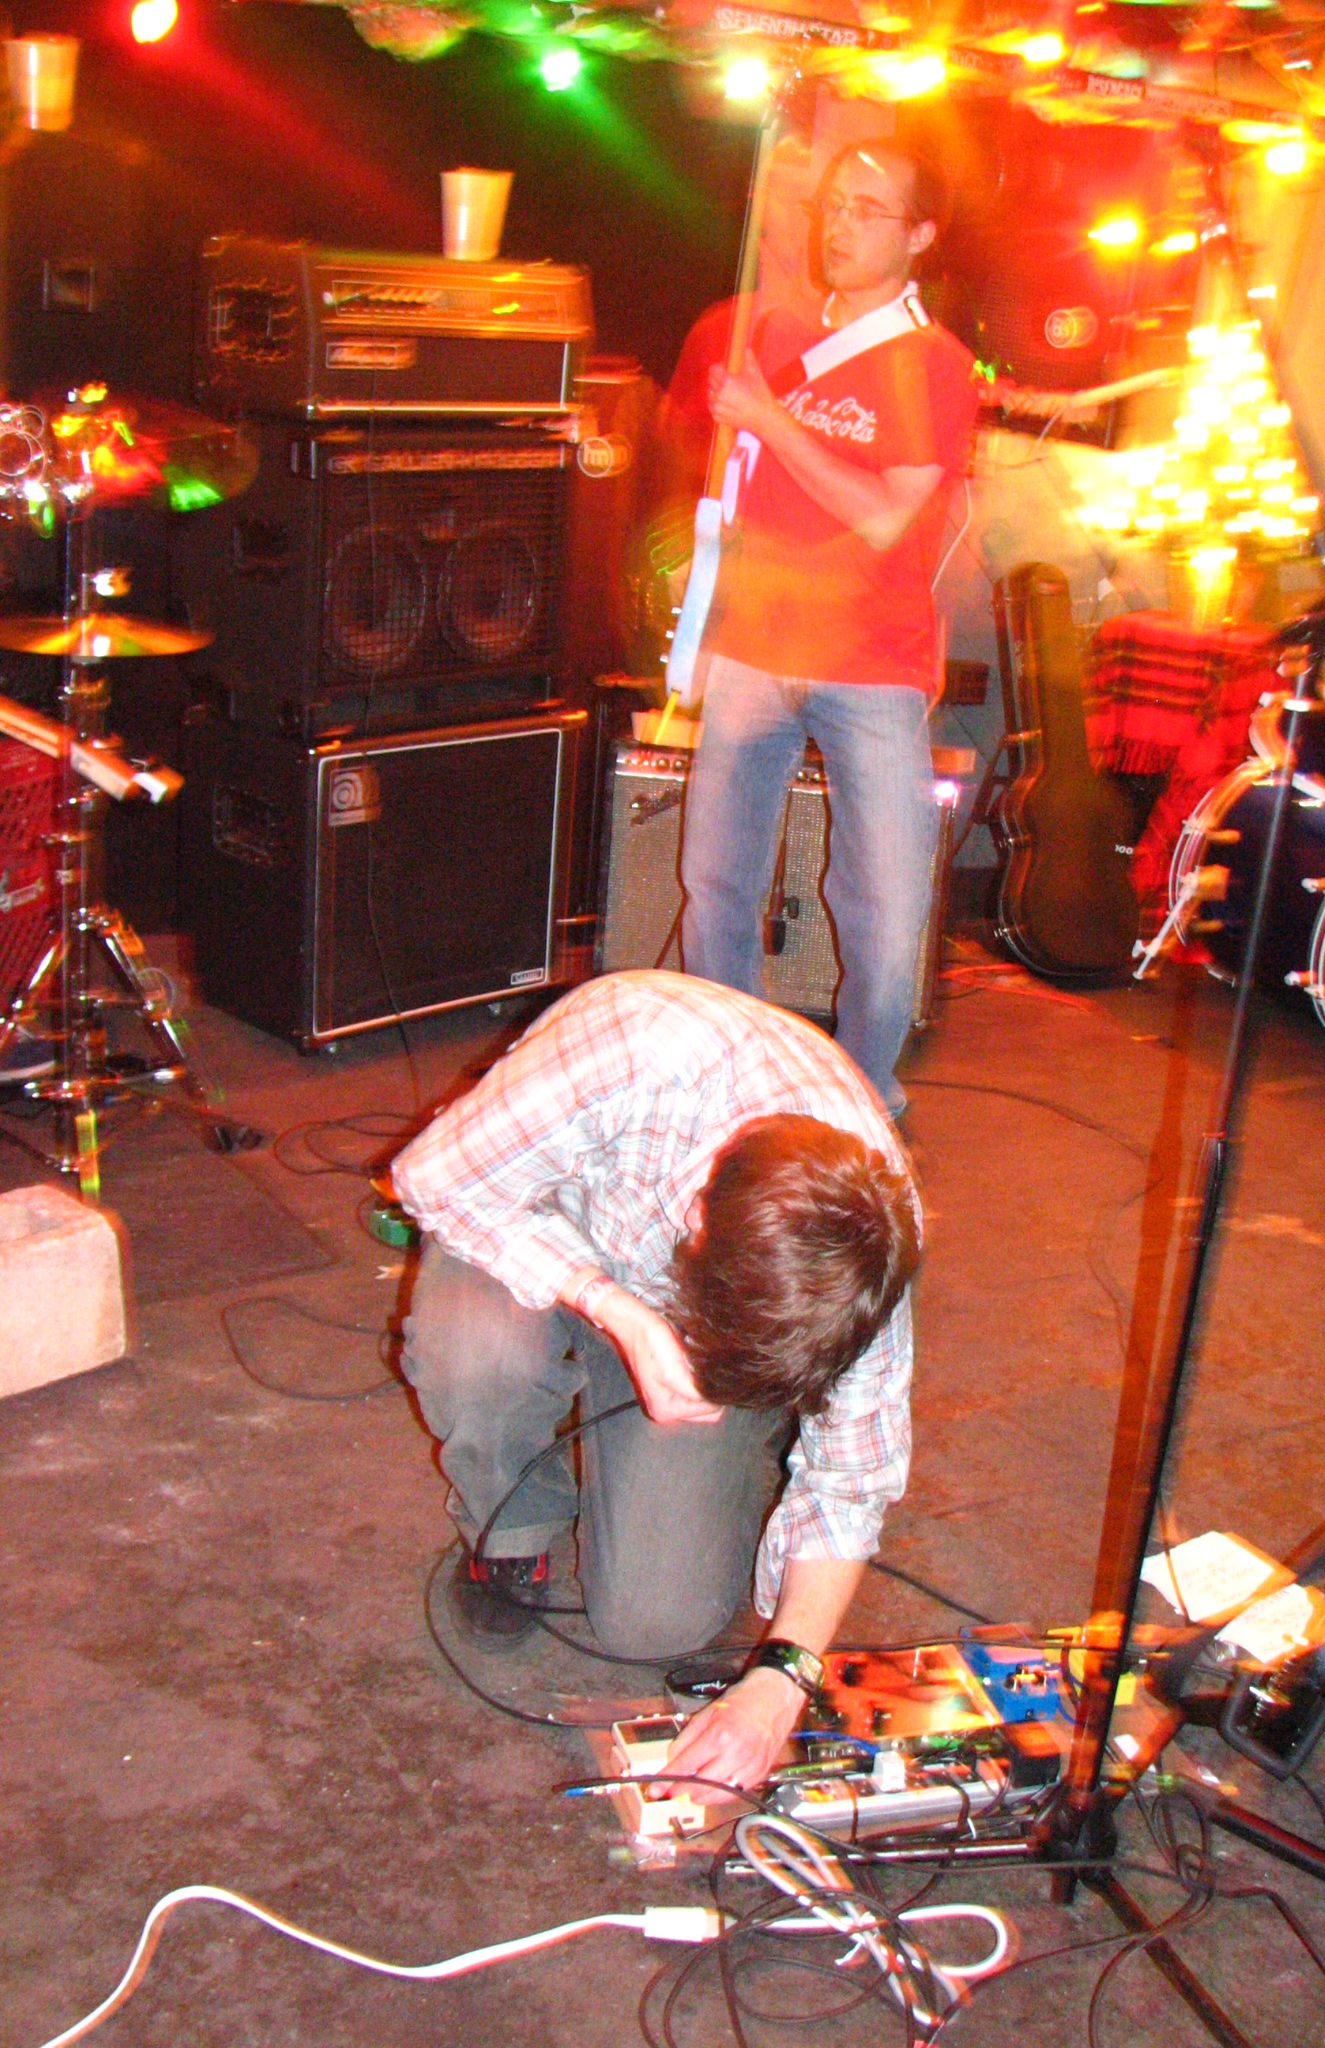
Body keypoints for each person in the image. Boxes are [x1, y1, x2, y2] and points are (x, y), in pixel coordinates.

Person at [393, 971, 921, 1798]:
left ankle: (724, 1446)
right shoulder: (629, 1051)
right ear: (699, 1221)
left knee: (653, 1624)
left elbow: (853, 1478)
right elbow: (430, 1177)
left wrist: (784, 1675)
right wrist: (614, 1307)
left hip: (690, 1310)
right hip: (534, 1227)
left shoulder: (868, 1238)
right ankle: (512, 1538)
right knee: (477, 1349)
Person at [679, 139, 979, 1116]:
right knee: (715, 886)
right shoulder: (774, 334)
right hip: (753, 647)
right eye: (832, 205)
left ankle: (859, 1099)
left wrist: (769, 418)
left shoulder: (934, 364)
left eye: (865, 209)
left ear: (920, 236)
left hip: (872, 663)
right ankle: (733, 1086)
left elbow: (884, 514)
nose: (838, 225)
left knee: (886, 911)